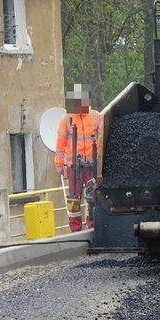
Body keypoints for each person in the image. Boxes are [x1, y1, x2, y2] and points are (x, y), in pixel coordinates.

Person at [55, 85, 101, 231]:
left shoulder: (96, 117)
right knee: (74, 197)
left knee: (92, 196)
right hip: (73, 165)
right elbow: (60, 143)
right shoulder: (66, 119)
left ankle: (93, 224)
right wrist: (59, 163)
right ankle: (75, 227)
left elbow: (102, 137)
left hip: (92, 164)